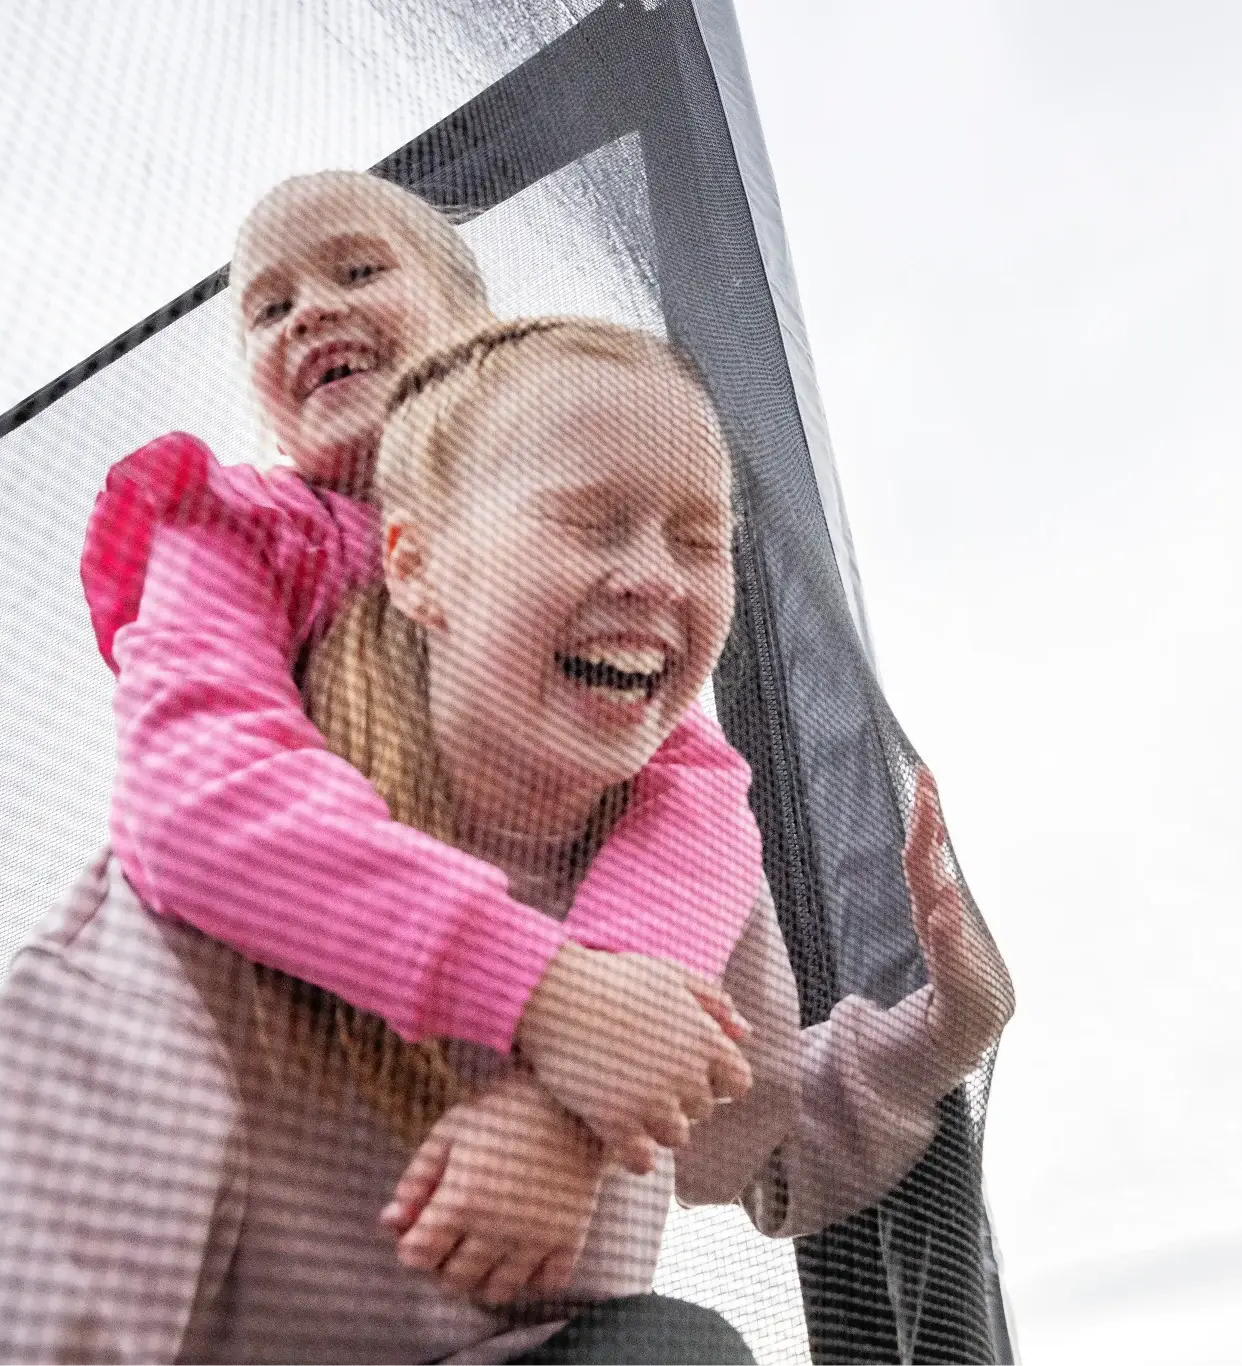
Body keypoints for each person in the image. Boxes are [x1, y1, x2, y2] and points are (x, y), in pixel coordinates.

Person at [0, 316, 1013, 1365]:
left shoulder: (689, 881)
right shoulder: (200, 916)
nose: (656, 575)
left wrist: (944, 1029)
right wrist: (554, 1009)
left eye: (698, 538)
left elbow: (742, 1135)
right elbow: (33, 1307)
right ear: (417, 566)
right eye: (591, 518)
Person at [78, 171, 767, 1177]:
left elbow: (698, 794)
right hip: (218, 1103)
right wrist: (541, 992)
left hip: (442, 1136)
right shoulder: (243, 532)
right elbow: (194, 790)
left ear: (474, 330)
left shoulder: (559, 573)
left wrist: (572, 1096)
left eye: (357, 268)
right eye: (269, 307)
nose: (310, 308)